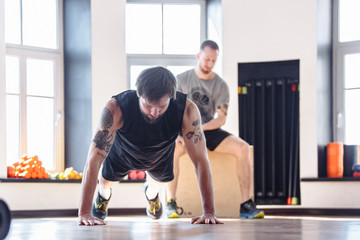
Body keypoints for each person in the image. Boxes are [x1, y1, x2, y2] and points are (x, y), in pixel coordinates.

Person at [78, 66, 223, 226]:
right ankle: (103, 198)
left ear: (171, 97)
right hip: (121, 154)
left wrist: (209, 212)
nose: (155, 112)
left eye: (161, 106)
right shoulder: (116, 108)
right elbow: (93, 160)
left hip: (159, 157)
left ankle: (151, 196)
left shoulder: (186, 110)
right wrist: (84, 213)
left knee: (156, 186)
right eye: (148, 105)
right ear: (139, 94)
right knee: (105, 183)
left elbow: (200, 161)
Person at [165, 40, 264, 219]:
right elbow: (171, 111)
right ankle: (170, 203)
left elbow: (221, 118)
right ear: (198, 56)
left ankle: (246, 205)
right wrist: (176, 133)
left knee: (243, 148)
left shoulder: (221, 85)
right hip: (185, 130)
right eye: (206, 59)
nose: (209, 64)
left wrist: (200, 128)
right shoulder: (181, 80)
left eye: (213, 60)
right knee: (172, 149)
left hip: (208, 129)